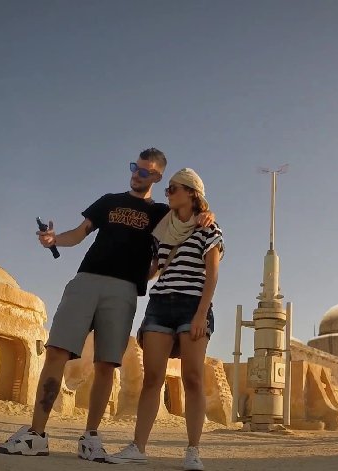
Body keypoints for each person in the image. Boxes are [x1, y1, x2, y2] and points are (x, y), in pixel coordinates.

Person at [0, 149, 214, 463]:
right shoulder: (109, 201)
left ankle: (91, 438)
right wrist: (54, 240)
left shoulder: (161, 213)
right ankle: (36, 434)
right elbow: (79, 233)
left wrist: (209, 214)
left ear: (157, 177)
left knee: (107, 364)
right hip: (86, 280)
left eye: (145, 171)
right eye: (135, 168)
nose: (136, 174)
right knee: (57, 351)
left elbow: (190, 217)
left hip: (124, 291)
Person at [109, 168, 223, 471]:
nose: (168, 193)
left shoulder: (208, 228)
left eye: (173, 188)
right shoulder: (163, 229)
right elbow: (155, 269)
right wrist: (124, 277)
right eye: (167, 188)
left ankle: (193, 451)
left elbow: (212, 275)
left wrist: (201, 314)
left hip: (192, 305)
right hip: (159, 304)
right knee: (152, 378)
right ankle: (138, 447)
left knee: (193, 377)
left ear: (191, 193)